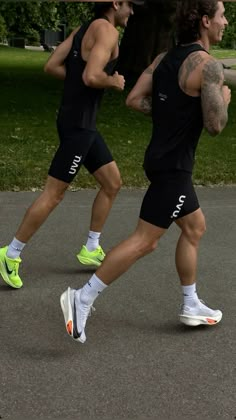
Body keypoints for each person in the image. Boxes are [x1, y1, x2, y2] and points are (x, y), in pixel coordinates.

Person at [60, 0, 231, 344]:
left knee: (195, 227)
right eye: (223, 15)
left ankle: (191, 302)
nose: (226, 22)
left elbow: (134, 100)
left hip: (157, 159)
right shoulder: (208, 67)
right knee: (145, 241)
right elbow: (215, 125)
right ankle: (81, 297)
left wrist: (174, 112)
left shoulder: (162, 59)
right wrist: (223, 99)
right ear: (205, 21)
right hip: (174, 169)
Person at [0, 1, 143, 289]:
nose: (132, 12)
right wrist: (112, 81)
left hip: (77, 122)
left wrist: (82, 80)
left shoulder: (83, 29)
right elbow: (92, 76)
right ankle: (10, 253)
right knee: (54, 194)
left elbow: (51, 65)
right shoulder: (107, 31)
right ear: (115, 4)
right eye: (129, 5)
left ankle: (91, 247)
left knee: (112, 182)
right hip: (79, 126)